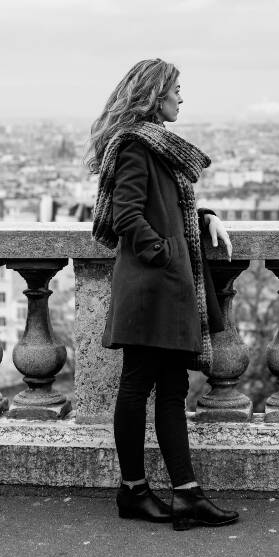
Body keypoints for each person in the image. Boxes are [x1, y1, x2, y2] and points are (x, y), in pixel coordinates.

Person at [87, 58, 239, 531]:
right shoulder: (136, 145)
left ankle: (185, 494)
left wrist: (204, 215)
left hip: (166, 285)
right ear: (155, 96)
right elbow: (126, 214)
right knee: (139, 384)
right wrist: (165, 253)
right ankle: (133, 490)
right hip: (155, 285)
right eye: (176, 89)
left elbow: (167, 203)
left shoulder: (157, 146)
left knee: (171, 388)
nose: (181, 97)